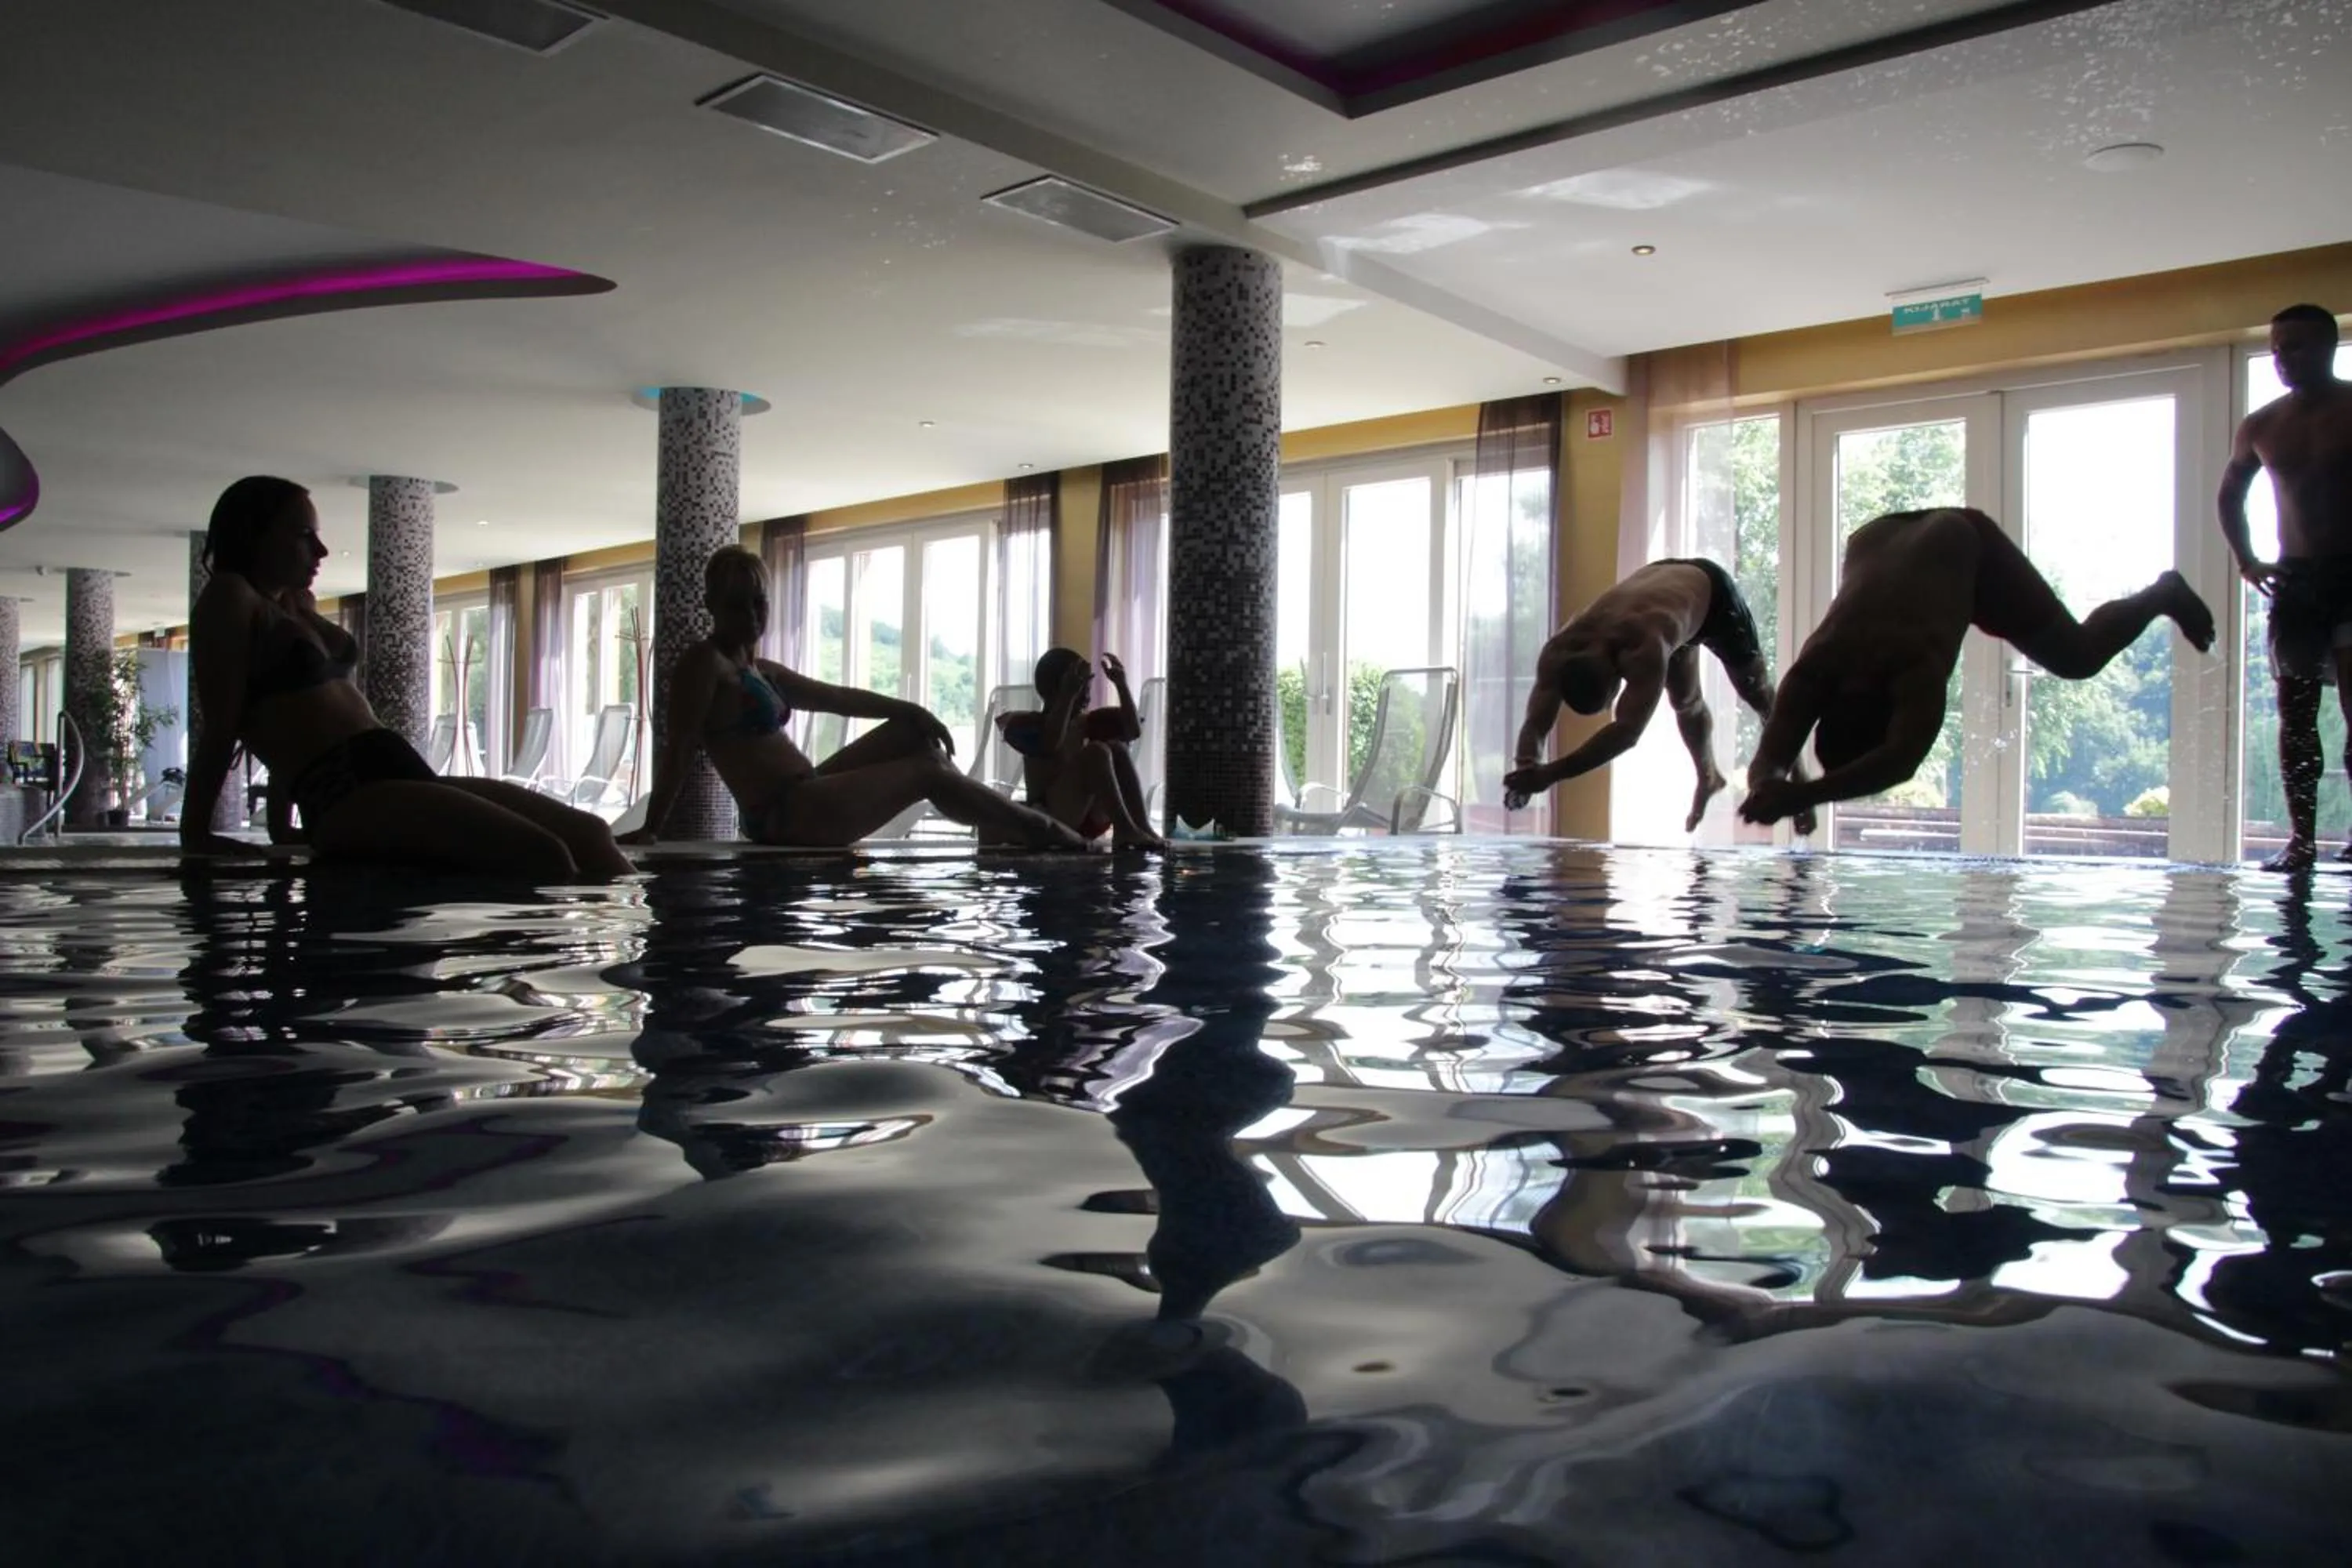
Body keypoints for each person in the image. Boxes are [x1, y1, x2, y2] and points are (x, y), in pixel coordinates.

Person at [180, 476, 630, 878]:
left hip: (394, 770)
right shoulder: (229, 596)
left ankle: (651, 941)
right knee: (544, 857)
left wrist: (281, 828)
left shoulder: (293, 605)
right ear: (253, 535)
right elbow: (224, 723)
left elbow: (294, 710)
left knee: (590, 834)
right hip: (345, 789)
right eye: (303, 535)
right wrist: (195, 832)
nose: (321, 551)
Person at [1740, 506, 2214, 826]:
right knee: (2071, 654)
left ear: (1887, 721)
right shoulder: (1814, 668)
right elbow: (1769, 759)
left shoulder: (1914, 667)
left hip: (1967, 544)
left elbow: (1900, 763)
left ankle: (2162, 594)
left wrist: (1802, 796)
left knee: (2079, 657)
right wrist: (1766, 788)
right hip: (1877, 538)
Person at [619, 546, 1086, 848]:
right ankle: (1038, 827)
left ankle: (1002, 827)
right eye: (737, 604)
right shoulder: (705, 664)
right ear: (712, 606)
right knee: (928, 770)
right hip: (782, 814)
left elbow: (838, 698)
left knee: (915, 738)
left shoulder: (762, 671)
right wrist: (653, 828)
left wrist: (914, 710)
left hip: (807, 792)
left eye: (759, 602)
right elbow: (680, 748)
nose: (752, 615)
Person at [1501, 557, 1809, 833]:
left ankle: (1800, 779)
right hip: (1664, 583)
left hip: (1714, 594)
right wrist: (1526, 771)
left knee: (1758, 694)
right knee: (1685, 701)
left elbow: (1626, 734)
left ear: (1616, 677)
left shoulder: (1645, 646)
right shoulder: (1559, 651)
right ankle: (1709, 777)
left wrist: (1550, 775)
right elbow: (1535, 723)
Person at [2220, 303, 2352, 870]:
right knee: (2295, 715)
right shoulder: (2262, 426)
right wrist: (2246, 560)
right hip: (2297, 579)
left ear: (2327, 347)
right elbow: (2230, 492)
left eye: (2295, 346)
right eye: (2276, 348)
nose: (2283, 358)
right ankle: (2302, 841)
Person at [993, 647, 1167, 851]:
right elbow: (1050, 744)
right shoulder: (1030, 724)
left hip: (1086, 820)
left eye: (1088, 685)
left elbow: (1133, 731)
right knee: (1096, 753)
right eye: (1080, 686)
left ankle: (1141, 827)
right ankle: (1124, 829)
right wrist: (1068, 696)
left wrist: (1121, 685)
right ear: (1056, 690)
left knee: (1117, 749)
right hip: (1049, 818)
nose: (1087, 693)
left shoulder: (1087, 722)